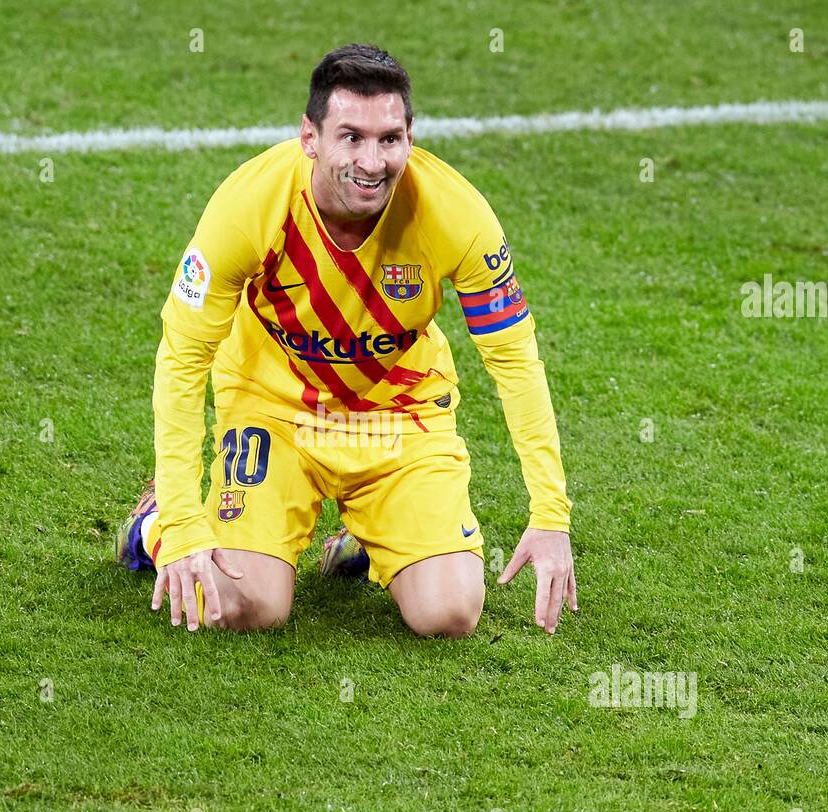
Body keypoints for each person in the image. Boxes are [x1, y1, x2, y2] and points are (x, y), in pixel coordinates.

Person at [117, 43, 577, 637]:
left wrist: (549, 514)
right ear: (310, 136)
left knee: (450, 615)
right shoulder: (248, 205)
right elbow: (182, 357)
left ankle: (368, 536)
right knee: (240, 607)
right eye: (351, 137)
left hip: (400, 416)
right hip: (276, 412)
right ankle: (150, 524)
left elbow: (514, 359)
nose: (372, 160)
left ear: (411, 136)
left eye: (389, 139)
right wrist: (182, 520)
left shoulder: (456, 215)